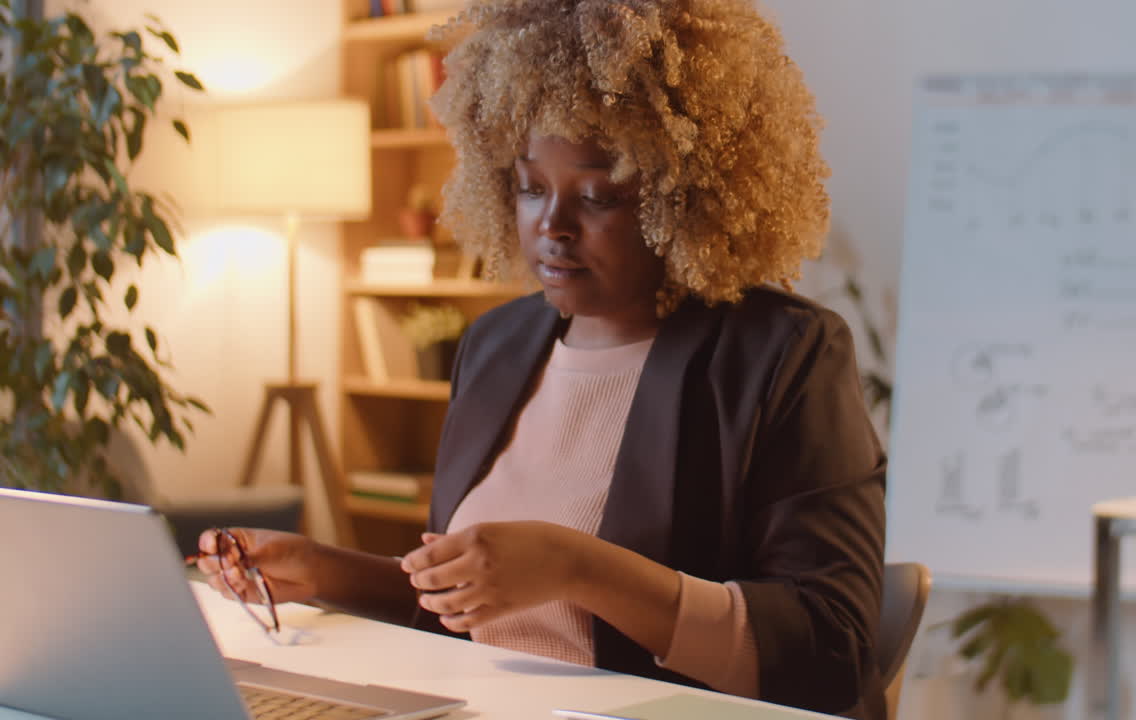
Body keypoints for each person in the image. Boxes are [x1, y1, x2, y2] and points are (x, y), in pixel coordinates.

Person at [196, 1, 887, 717]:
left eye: (598, 195)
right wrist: (322, 570)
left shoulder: (782, 356)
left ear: (689, 195)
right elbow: (481, 606)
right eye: (530, 186)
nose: (551, 226)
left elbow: (829, 654)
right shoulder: (497, 345)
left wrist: (579, 568)